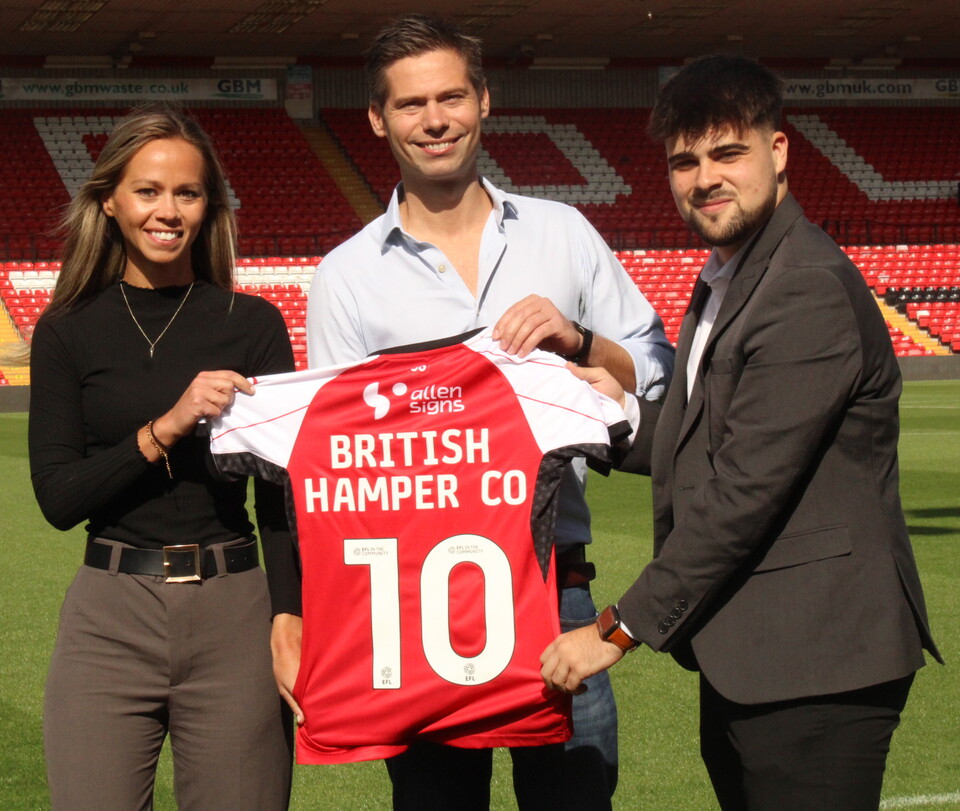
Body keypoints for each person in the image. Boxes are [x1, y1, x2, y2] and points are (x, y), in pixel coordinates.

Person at [540, 54, 942, 810]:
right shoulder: (732, 273)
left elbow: (744, 489)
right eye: (684, 161)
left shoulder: (803, 286)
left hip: (821, 664)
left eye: (728, 152)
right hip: (757, 655)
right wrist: (612, 413)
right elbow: (706, 437)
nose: (704, 178)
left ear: (778, 151)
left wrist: (615, 628)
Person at [302, 14, 673, 810]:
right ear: (377, 118)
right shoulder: (345, 277)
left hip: (556, 589)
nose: (434, 120)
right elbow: (333, 462)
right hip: (417, 605)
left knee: (574, 802)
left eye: (451, 97)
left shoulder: (563, 234)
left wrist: (580, 342)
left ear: (484, 101)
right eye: (410, 105)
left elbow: (655, 372)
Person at [28, 105, 299, 810]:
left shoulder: (253, 324)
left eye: (188, 192)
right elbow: (59, 497)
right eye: (148, 190)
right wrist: (168, 425)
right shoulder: (65, 330)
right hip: (109, 615)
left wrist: (289, 615)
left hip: (235, 611)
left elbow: (280, 498)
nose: (168, 210)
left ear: (209, 207)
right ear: (109, 200)